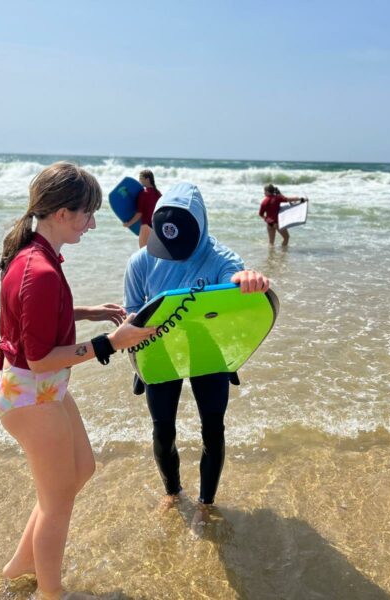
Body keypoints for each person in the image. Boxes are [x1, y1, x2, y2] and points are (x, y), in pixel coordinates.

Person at [0, 162, 155, 598]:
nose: (93, 223)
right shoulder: (39, 269)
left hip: (41, 389)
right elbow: (41, 357)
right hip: (31, 393)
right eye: (87, 213)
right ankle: (52, 594)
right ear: (62, 213)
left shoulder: (36, 254)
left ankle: (20, 567)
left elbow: (36, 319)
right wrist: (111, 342)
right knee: (58, 502)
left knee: (81, 470)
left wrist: (87, 312)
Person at [124, 182, 271, 526]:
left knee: (213, 429)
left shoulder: (222, 258)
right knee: (163, 430)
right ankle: (172, 493)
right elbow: (131, 316)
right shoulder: (140, 262)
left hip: (208, 349)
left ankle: (206, 502)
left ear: (203, 228)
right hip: (160, 350)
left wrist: (247, 281)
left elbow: (234, 281)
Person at [123, 169, 162, 248]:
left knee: (143, 252)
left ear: (147, 179)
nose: (139, 181)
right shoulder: (158, 193)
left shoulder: (144, 194)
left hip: (145, 227)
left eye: (141, 178)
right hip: (157, 228)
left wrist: (129, 223)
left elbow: (139, 213)